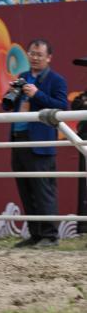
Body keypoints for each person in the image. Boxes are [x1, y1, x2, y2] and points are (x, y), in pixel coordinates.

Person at [2, 39, 67, 247]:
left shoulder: (56, 80)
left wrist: (37, 95)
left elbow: (62, 107)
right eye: (32, 53)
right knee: (26, 188)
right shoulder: (23, 77)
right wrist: (11, 93)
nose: (35, 58)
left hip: (40, 143)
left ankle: (50, 235)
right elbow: (6, 106)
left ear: (49, 58)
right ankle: (35, 234)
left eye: (40, 55)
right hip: (18, 140)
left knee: (43, 190)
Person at [71, 88, 87, 233]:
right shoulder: (83, 95)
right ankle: (84, 227)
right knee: (84, 185)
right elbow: (75, 105)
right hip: (84, 143)